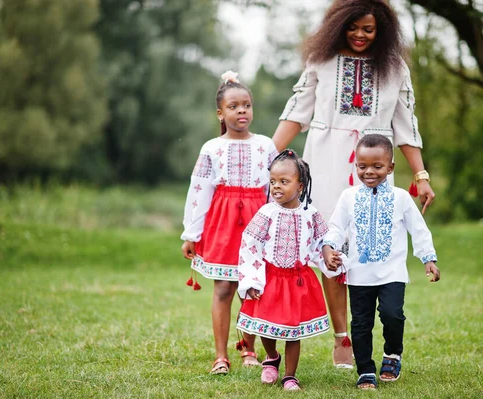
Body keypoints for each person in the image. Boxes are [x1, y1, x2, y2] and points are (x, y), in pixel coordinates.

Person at [271, 0, 436, 368]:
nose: (360, 35)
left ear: (382, 31)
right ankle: (342, 336)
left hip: (373, 165)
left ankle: (369, 333)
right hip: (325, 160)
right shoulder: (321, 61)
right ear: (339, 25)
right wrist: (266, 159)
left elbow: (406, 127)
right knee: (331, 243)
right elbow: (296, 114)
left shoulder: (396, 69)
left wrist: (420, 175)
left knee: (366, 244)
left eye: (369, 29)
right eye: (353, 27)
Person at [322, 134, 441, 389]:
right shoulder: (349, 197)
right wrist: (329, 247)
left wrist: (428, 259)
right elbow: (335, 226)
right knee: (361, 324)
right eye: (362, 166)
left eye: (377, 166)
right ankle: (365, 370)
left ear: (390, 167)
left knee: (392, 315)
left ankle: (392, 353)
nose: (369, 172)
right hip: (359, 274)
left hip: (392, 273)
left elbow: (418, 229)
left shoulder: (400, 198)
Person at [181, 70, 279, 375]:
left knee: (252, 287)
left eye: (247, 105)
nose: (242, 111)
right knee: (224, 288)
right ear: (221, 113)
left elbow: (276, 188)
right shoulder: (211, 148)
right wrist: (191, 234)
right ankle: (221, 356)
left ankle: (249, 348)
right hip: (222, 221)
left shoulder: (266, 145)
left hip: (257, 221)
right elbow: (199, 191)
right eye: (234, 106)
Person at [236, 149, 341, 391]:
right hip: (270, 278)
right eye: (273, 181)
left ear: (301, 186)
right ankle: (271, 357)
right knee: (265, 323)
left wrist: (329, 255)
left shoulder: (311, 214)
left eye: (284, 182)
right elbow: (249, 244)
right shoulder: (266, 212)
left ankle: (290, 376)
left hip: (298, 280)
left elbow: (322, 241)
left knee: (293, 330)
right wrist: (251, 279)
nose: (276, 187)